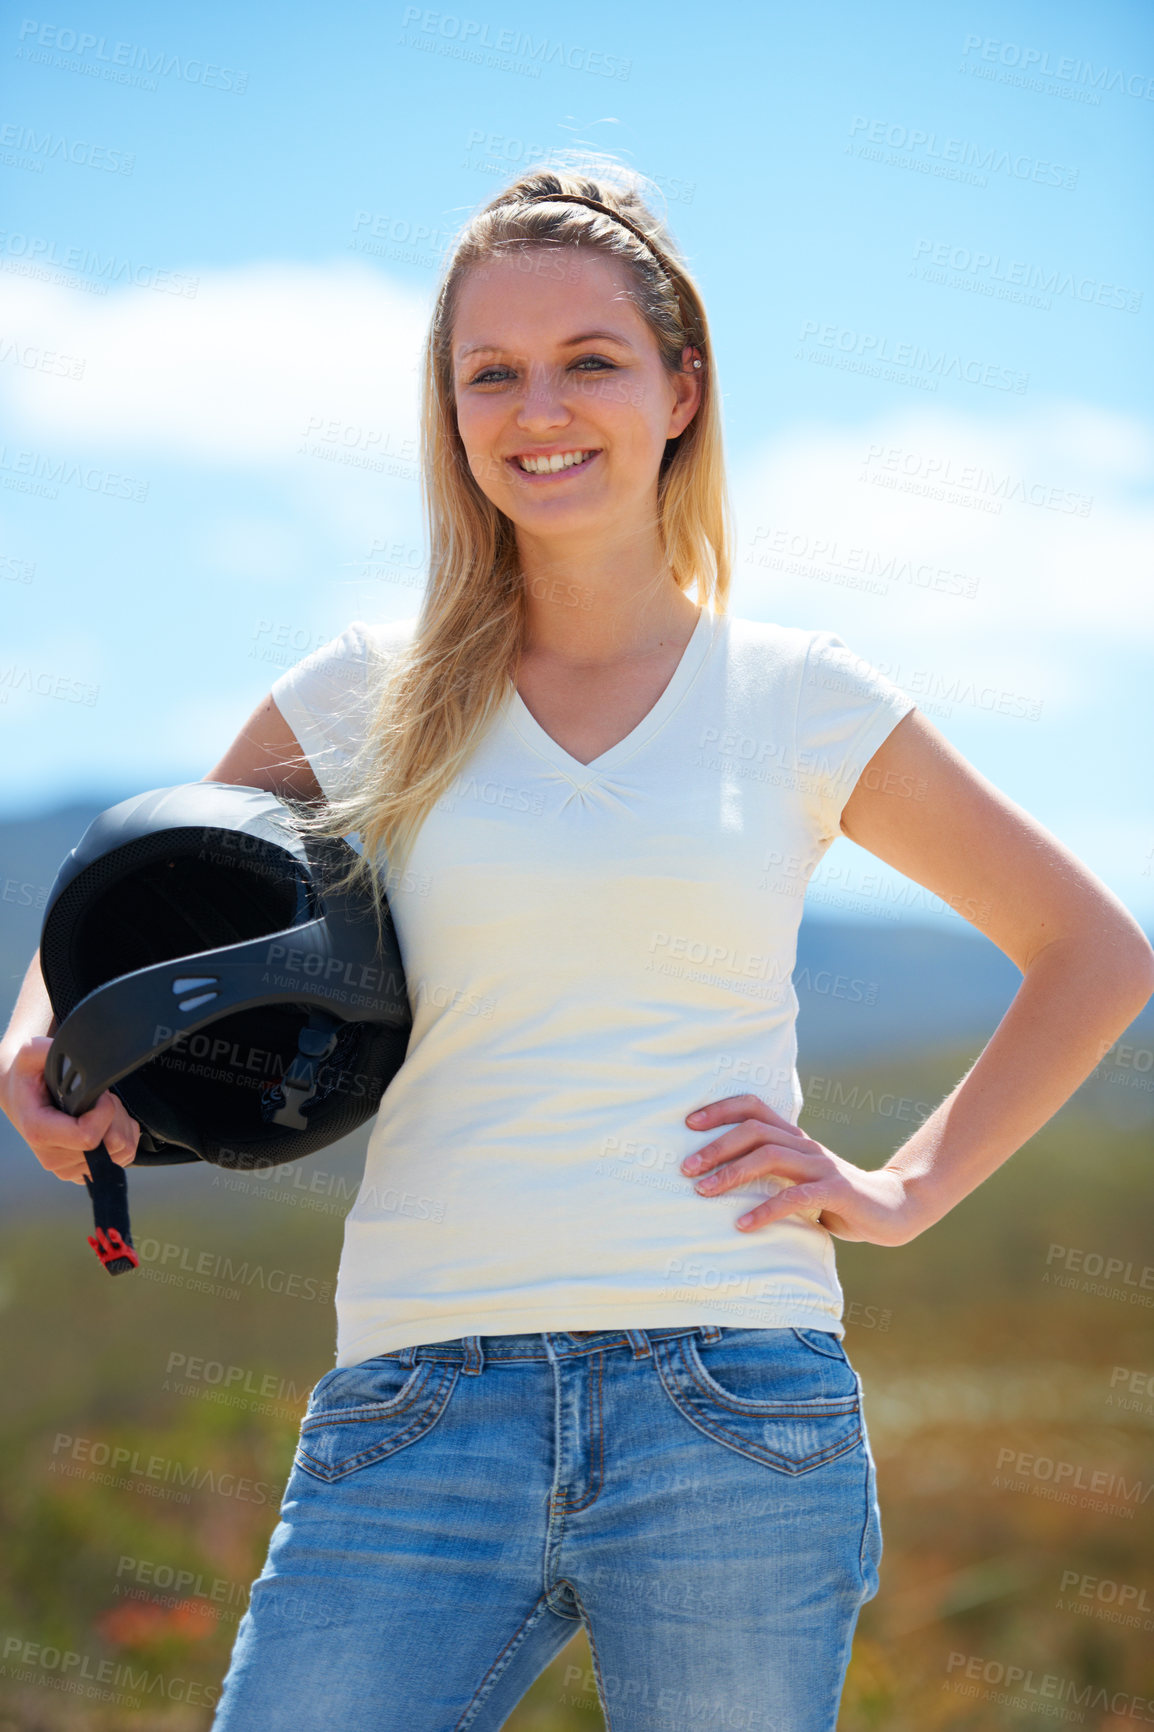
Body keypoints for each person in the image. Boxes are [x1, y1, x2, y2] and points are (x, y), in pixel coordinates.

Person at [3, 162, 1152, 1732]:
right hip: (416, 1402)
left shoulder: (800, 696)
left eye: (589, 361)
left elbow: (1093, 951)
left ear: (680, 388)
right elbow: (132, 893)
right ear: (452, 411)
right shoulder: (364, 689)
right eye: (493, 373)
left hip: (735, 1407)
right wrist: (37, 1043)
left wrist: (903, 1190)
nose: (538, 407)